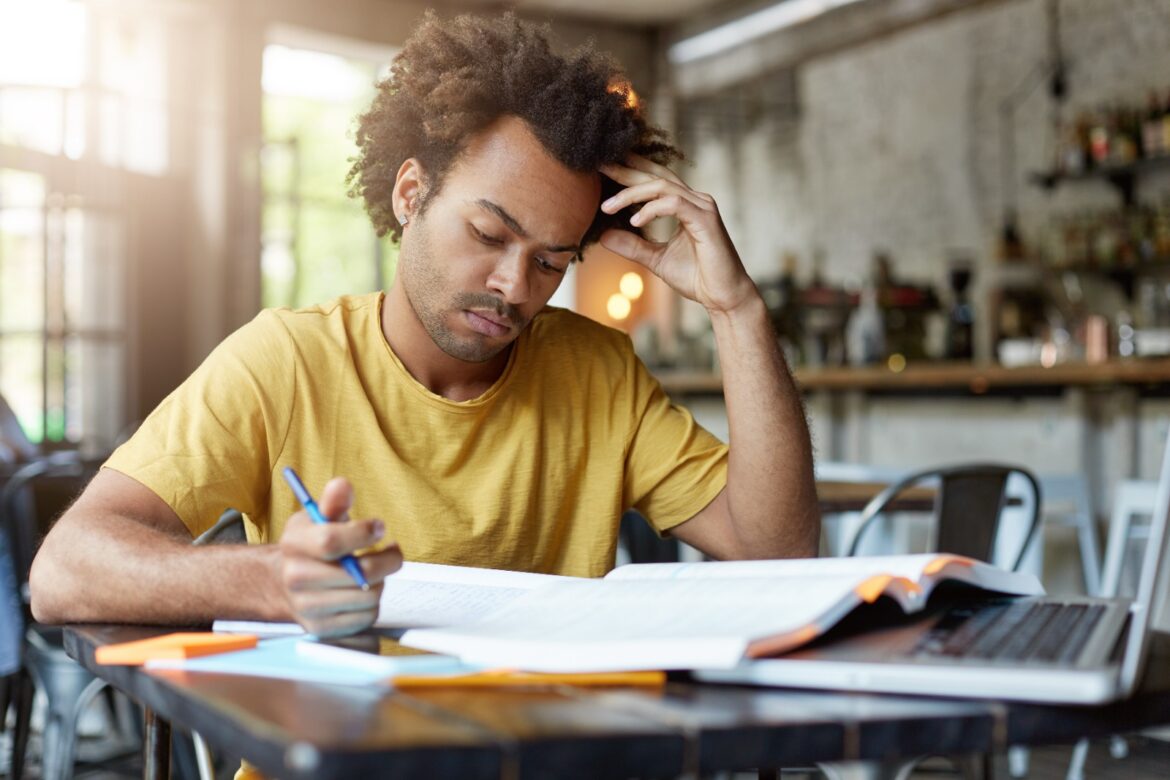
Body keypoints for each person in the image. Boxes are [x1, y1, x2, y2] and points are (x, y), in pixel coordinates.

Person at [30, 12, 818, 638]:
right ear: (410, 195)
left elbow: (778, 553)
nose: (513, 286)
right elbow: (64, 572)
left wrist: (737, 309)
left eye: (551, 261)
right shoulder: (287, 361)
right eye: (487, 235)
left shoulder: (597, 372)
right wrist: (270, 579)